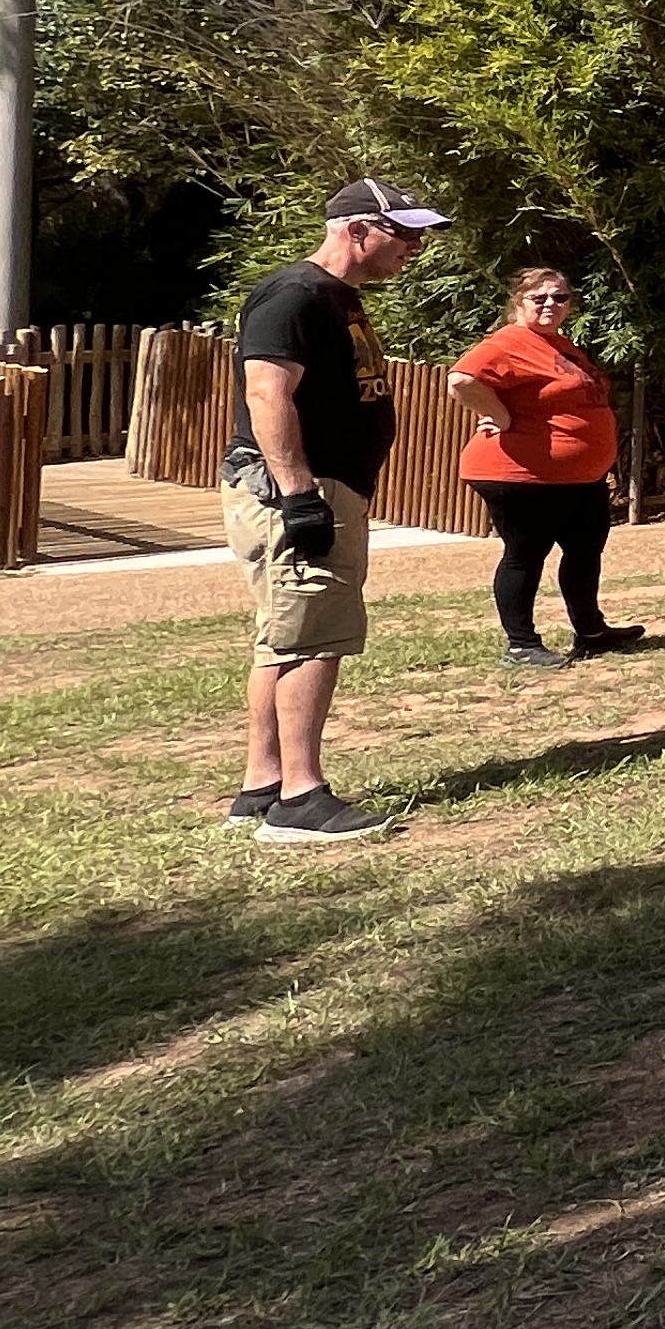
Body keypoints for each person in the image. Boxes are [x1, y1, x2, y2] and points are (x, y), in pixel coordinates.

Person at [220, 179, 444, 843]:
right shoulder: (296, 296)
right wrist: (299, 497)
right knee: (313, 636)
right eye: (404, 233)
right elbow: (267, 395)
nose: (417, 247)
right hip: (298, 488)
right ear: (357, 229)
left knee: (283, 636)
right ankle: (300, 801)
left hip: (319, 483)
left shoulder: (334, 297)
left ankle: (262, 785)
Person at [451, 265, 646, 670]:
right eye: (539, 298)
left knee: (584, 549)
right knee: (525, 555)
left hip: (577, 476)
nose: (550, 305)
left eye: (560, 298)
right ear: (519, 303)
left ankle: (592, 632)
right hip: (520, 474)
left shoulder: (558, 344)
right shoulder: (508, 342)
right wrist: (500, 416)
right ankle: (521, 644)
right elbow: (462, 380)